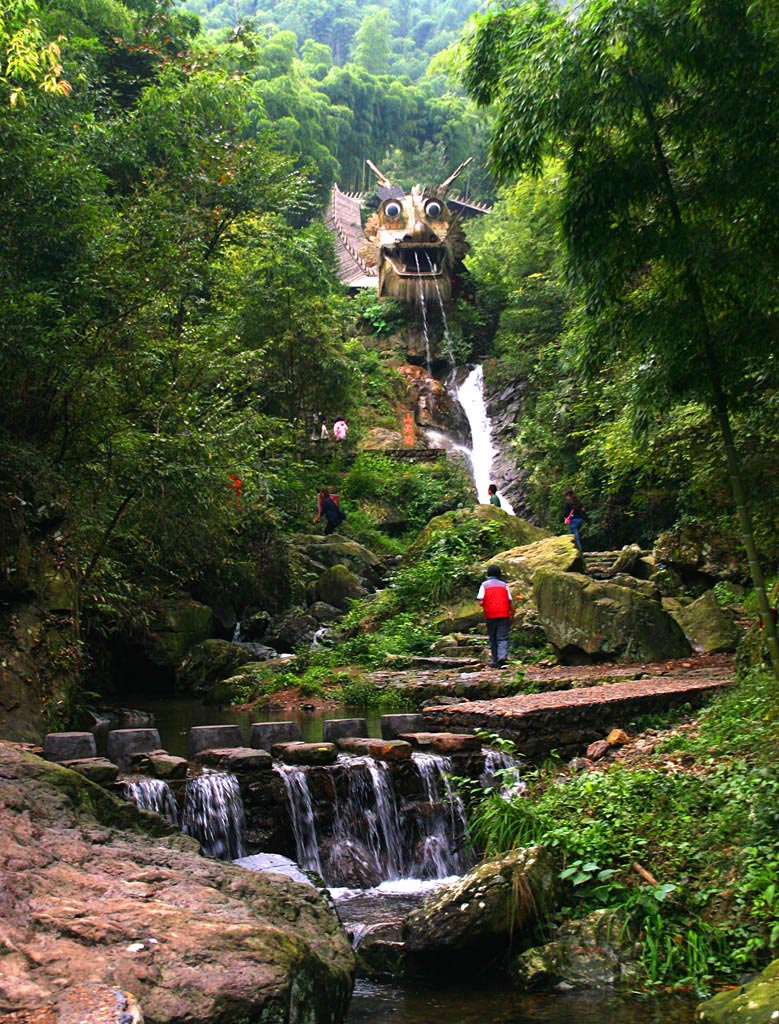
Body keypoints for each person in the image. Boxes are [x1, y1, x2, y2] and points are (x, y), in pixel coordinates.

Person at [476, 564, 514, 669]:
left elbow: (481, 600)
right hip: (504, 615)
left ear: (488, 574)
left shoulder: (484, 585)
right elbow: (509, 600)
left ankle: (494, 661)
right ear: (499, 574)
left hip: (490, 615)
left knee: (492, 638)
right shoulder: (504, 585)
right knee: (502, 638)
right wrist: (512, 613)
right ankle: (502, 657)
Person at [563, 489, 586, 553]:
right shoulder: (578, 501)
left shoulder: (568, 503)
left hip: (573, 521)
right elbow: (583, 510)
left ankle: (579, 550)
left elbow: (566, 512)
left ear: (568, 495)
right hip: (580, 520)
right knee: (573, 533)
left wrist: (565, 517)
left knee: (575, 536)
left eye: (566, 496)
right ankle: (574, 549)